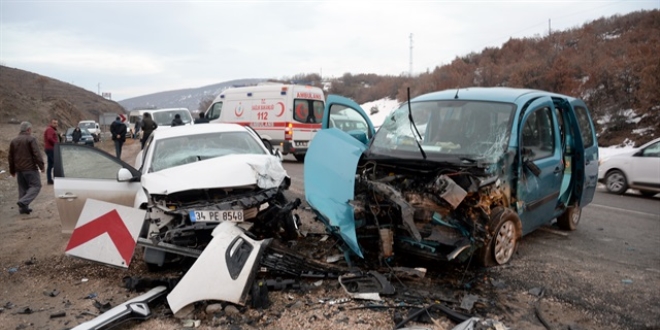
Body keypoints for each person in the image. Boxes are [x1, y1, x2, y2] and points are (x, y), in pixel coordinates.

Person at [9, 121, 45, 214]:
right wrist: (41, 166)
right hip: (30, 168)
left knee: (22, 188)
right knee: (36, 186)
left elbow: (10, 157)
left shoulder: (14, 140)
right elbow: (37, 153)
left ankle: (23, 209)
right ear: (29, 129)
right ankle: (23, 201)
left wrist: (12, 170)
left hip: (19, 169)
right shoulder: (31, 139)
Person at [43, 118, 58, 185]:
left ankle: (49, 180)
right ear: (51, 123)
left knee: (50, 165)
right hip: (51, 149)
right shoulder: (50, 129)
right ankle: (56, 179)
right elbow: (49, 138)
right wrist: (56, 144)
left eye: (56, 123)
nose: (56, 125)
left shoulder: (51, 129)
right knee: (56, 164)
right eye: (54, 123)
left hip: (49, 148)